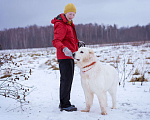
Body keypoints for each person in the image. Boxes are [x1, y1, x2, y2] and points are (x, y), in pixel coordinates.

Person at [51, 3, 85, 112]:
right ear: (65, 13)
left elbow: (70, 39)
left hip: (70, 56)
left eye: (74, 14)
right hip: (64, 56)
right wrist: (64, 49)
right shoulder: (61, 24)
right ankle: (64, 104)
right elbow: (56, 41)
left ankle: (65, 102)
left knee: (68, 79)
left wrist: (78, 43)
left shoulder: (69, 24)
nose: (72, 16)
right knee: (66, 80)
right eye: (70, 14)